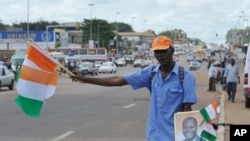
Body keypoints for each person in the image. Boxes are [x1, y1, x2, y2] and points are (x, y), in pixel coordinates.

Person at [70, 35, 198, 141]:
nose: (160, 55)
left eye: (163, 51)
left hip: (174, 137)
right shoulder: (151, 73)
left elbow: (187, 112)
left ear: (172, 51)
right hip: (153, 136)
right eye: (157, 52)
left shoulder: (185, 77)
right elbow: (119, 80)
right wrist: (85, 79)